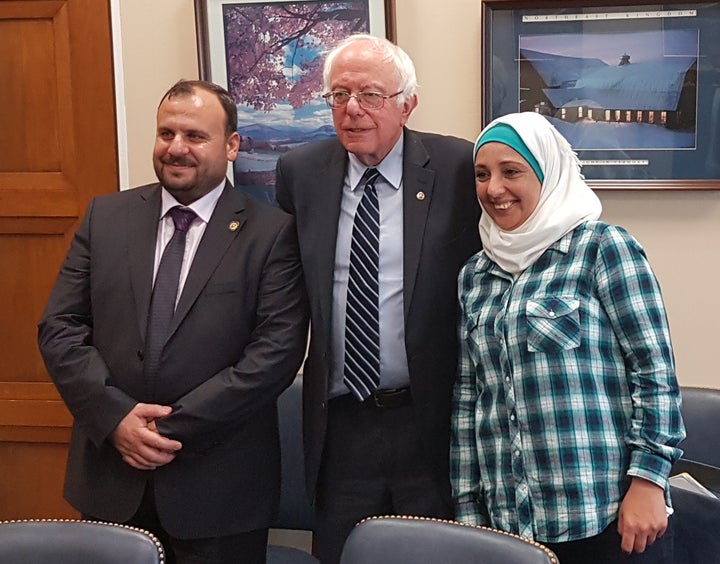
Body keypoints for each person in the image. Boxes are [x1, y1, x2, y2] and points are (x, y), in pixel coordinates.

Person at [38, 79, 308, 564]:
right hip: (110, 482)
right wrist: (115, 417)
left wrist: (165, 429)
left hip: (220, 495)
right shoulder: (107, 216)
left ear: (231, 146)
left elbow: (274, 356)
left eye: (195, 136)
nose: (176, 149)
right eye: (166, 134)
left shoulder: (271, 233)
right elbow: (60, 327)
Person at [275, 34, 481, 563]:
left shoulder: (459, 167)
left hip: (429, 416)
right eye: (339, 95)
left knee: (435, 554)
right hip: (341, 422)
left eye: (370, 94)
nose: (352, 109)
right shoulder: (300, 172)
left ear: (407, 103)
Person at [450, 111, 685, 564]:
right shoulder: (475, 275)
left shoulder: (602, 248)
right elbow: (468, 398)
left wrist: (649, 480)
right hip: (507, 524)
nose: (493, 188)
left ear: (548, 173)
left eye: (511, 171)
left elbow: (654, 371)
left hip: (607, 517)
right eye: (482, 174)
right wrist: (467, 505)